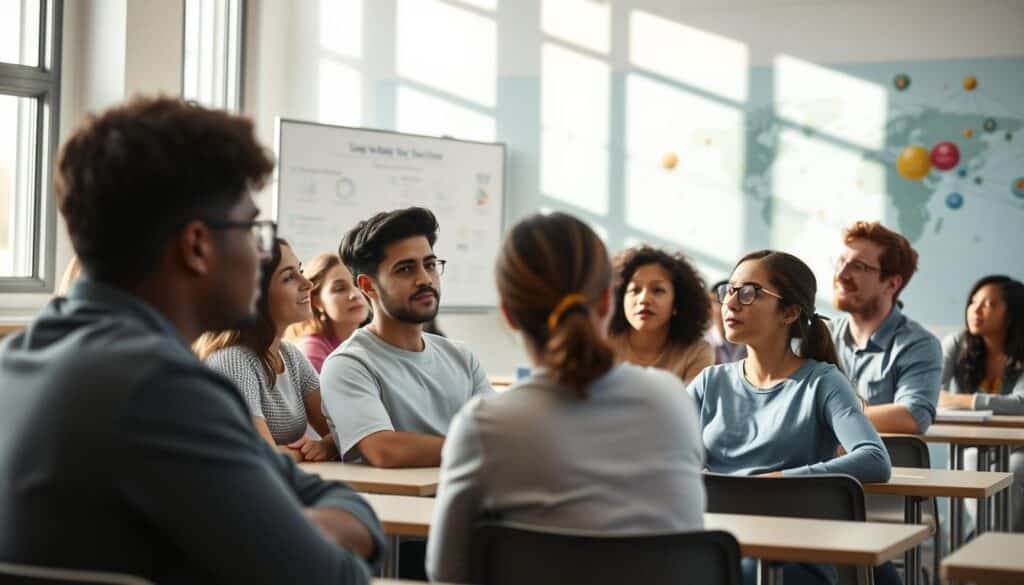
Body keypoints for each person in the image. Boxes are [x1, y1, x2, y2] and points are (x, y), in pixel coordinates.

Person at [0, 96, 384, 583]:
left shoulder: (14, 362)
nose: (258, 252)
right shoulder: (163, 390)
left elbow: (310, 501)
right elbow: (330, 578)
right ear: (198, 245)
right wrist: (308, 532)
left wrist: (293, 530)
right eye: (252, 229)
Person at [427, 212, 706, 583]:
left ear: (509, 315)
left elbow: (448, 574)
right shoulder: (672, 400)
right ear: (608, 301)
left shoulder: (484, 426)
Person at [689, 250, 891, 585]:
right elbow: (661, 455)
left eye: (750, 292)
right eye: (730, 290)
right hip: (721, 543)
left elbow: (874, 459)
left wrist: (778, 482)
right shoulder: (711, 382)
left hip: (797, 552)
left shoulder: (822, 382)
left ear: (790, 313)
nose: (731, 303)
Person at [320, 206, 492, 468]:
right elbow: (385, 450)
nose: (425, 279)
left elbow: (498, 430)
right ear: (367, 286)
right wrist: (484, 446)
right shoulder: (348, 364)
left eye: (430, 265)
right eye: (405, 269)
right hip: (398, 507)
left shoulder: (462, 357)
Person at [196, 239, 337, 462]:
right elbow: (262, 457)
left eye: (300, 271)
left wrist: (328, 445)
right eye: (289, 277)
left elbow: (341, 431)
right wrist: (299, 453)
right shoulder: (233, 361)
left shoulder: (290, 355)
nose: (307, 284)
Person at [829, 220, 943, 434]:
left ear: (891, 284)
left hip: (884, 467)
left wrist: (825, 414)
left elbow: (912, 417)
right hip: (818, 465)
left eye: (858, 266)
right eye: (840, 262)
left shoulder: (918, 344)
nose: (842, 275)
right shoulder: (823, 334)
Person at [939, 275, 1024, 530]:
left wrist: (963, 400)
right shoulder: (957, 343)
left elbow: (1021, 403)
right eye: (973, 301)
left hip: (1019, 445)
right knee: (973, 462)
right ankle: (990, 548)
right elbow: (931, 393)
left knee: (1016, 467)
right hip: (971, 443)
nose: (976, 309)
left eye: (989, 304)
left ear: (1012, 313)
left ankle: (995, 547)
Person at [606, 245, 714, 383]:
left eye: (657, 290)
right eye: (635, 290)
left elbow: (690, 404)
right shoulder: (602, 342)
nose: (644, 299)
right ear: (620, 298)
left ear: (677, 302)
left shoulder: (696, 352)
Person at [286, 252, 370, 373]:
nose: (355, 295)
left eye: (358, 284)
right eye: (340, 289)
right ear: (315, 301)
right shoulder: (312, 352)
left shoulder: (367, 343)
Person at [706, 278, 747, 364]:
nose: (731, 308)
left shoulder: (751, 342)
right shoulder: (703, 343)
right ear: (709, 305)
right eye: (722, 302)